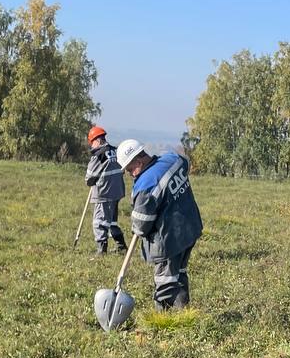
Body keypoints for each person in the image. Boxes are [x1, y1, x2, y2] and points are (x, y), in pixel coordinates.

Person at [115, 139, 202, 310]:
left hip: (169, 240)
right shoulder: (172, 159)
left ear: (139, 161)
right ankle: (186, 316)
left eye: (130, 169)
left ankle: (162, 322)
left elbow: (141, 226)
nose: (130, 174)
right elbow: (186, 163)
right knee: (179, 275)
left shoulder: (145, 184)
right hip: (190, 228)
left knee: (166, 285)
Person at [84, 125, 127, 254]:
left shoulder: (98, 155)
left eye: (92, 143)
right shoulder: (115, 151)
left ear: (96, 140)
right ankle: (121, 246)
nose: (92, 146)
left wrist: (91, 180)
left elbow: (89, 179)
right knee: (112, 221)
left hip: (103, 193)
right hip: (117, 191)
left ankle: (101, 250)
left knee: (99, 221)